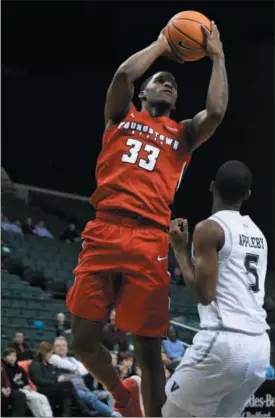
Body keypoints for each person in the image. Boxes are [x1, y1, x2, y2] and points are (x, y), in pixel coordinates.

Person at [66, 21, 228, 417]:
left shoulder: (183, 133)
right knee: (84, 343)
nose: (169, 84)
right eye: (160, 80)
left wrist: (218, 55)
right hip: (105, 228)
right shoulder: (120, 116)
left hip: (149, 238)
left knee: (149, 349)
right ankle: (122, 394)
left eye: (173, 83)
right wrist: (162, 43)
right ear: (144, 91)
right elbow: (123, 74)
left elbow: (218, 111)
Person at [162, 160, 270, 417]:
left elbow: (204, 295)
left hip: (224, 343)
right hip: (259, 350)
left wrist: (178, 249)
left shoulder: (209, 228)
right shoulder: (259, 236)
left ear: (211, 187)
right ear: (247, 195)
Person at [49, 337, 119, 417]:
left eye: (64, 345)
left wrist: (77, 370)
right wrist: (76, 368)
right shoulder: (54, 358)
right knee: (90, 396)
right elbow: (65, 365)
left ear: (67, 347)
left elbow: (85, 369)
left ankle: (112, 414)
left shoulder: (72, 359)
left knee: (108, 394)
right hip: (72, 392)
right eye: (58, 346)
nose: (62, 347)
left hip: (85, 389)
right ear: (54, 348)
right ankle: (113, 414)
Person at [29, 341, 75, 417]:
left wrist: (57, 377)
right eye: (50, 353)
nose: (51, 355)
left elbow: (52, 375)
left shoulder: (48, 363)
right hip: (42, 389)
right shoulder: (36, 364)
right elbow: (39, 380)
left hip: (51, 386)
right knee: (68, 385)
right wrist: (55, 380)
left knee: (66, 390)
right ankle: (80, 410)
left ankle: (66, 414)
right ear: (44, 352)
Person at [3, 348, 53, 417]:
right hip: (17, 390)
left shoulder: (19, 368)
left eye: (14, 356)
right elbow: (8, 383)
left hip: (26, 389)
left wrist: (27, 386)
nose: (12, 358)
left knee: (42, 398)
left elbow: (26, 380)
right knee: (37, 399)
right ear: (5, 358)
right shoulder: (5, 369)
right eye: (10, 356)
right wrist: (22, 387)